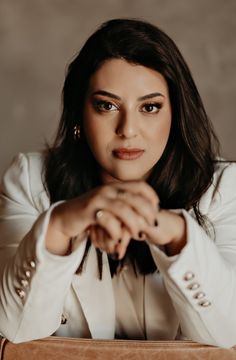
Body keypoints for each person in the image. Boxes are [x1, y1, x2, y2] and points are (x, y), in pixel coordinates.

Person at [0, 18, 236, 348]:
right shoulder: (29, 179)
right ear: (79, 114)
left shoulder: (224, 188)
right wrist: (62, 224)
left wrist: (171, 231)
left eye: (150, 107)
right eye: (107, 105)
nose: (128, 129)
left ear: (176, 114)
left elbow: (226, 332)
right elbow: (15, 328)